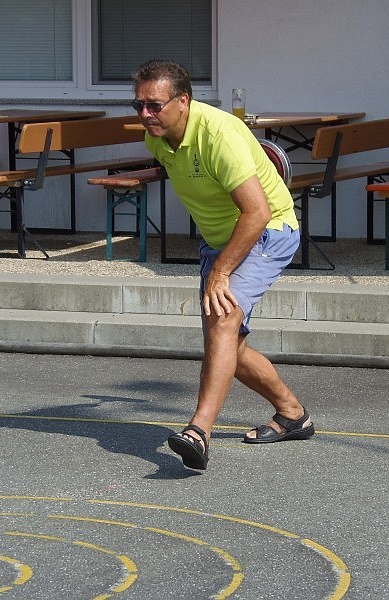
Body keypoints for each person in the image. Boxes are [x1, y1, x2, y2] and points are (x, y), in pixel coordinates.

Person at [131, 59, 314, 470]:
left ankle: (198, 431)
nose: (145, 114)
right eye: (138, 105)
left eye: (154, 105)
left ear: (183, 100)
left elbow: (257, 213)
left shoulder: (219, 134)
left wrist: (220, 271)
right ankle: (293, 414)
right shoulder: (157, 139)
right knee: (228, 344)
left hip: (268, 230)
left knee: (222, 321)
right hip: (223, 242)